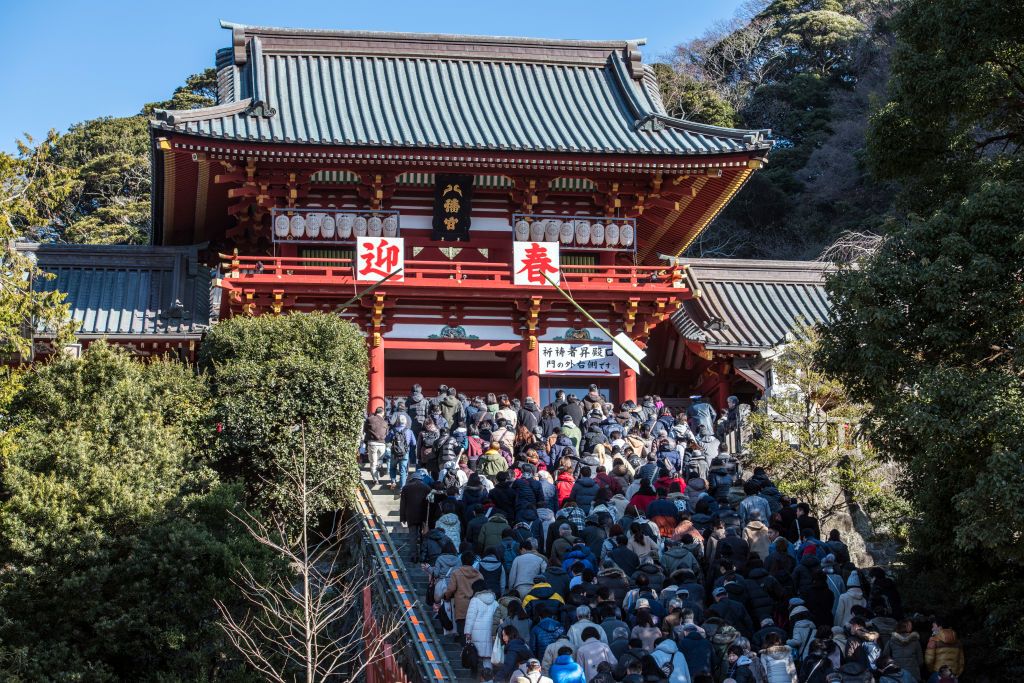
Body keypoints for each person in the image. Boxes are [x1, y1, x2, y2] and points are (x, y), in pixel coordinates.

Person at [443, 551, 484, 635]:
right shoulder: (479, 574)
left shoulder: (456, 573)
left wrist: (446, 597)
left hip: (461, 606)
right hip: (475, 607)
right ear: (473, 562)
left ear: (461, 561)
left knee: (462, 631)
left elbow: (451, 589)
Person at [398, 470, 432, 561]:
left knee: (413, 536)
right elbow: (429, 503)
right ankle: (423, 555)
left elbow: (403, 504)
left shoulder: (406, 488)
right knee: (423, 536)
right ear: (420, 478)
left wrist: (402, 518)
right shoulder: (427, 488)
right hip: (423, 515)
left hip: (411, 516)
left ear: (412, 478)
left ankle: (414, 556)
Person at [464, 579, 498, 662]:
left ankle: (475, 673)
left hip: (476, 632)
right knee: (487, 658)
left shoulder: (474, 600)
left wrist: (467, 632)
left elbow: (470, 618)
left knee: (474, 655)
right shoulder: (495, 602)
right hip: (490, 632)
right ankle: (488, 673)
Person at [364, 406, 389, 484]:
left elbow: (365, 430)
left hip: (372, 443)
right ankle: (378, 474)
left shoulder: (369, 419)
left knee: (373, 462)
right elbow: (387, 433)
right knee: (380, 461)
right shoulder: (385, 422)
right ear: (382, 413)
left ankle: (375, 479)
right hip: (382, 444)